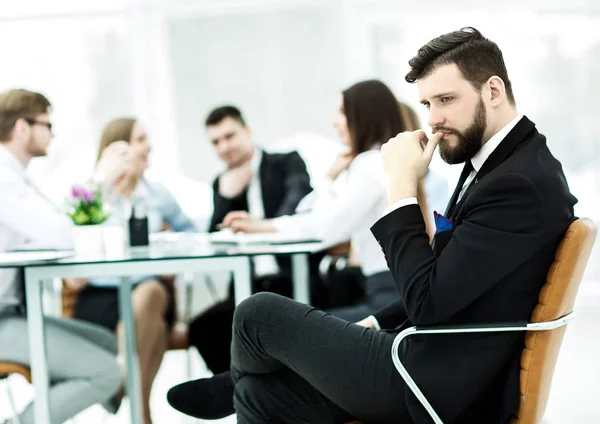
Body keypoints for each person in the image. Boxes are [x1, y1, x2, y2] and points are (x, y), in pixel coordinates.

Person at [165, 27, 577, 423]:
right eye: (428, 103)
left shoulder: (517, 184)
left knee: (256, 314)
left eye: (446, 99)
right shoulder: (504, 168)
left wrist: (401, 184)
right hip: (432, 357)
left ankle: (229, 382)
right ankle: (237, 384)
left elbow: (429, 302)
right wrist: (376, 321)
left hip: (434, 382)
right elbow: (453, 278)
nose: (433, 118)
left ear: (493, 90)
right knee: (259, 396)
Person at [216, 80, 430, 322]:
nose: (334, 122)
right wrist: (263, 226)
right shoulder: (377, 162)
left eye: (341, 112)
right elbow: (315, 218)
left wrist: (328, 179)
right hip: (387, 292)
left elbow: (325, 228)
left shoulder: (370, 165)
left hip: (388, 298)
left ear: (362, 116)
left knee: (282, 328)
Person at [0, 88, 127, 424]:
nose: (53, 134)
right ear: (22, 127)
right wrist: (102, 179)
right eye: (47, 124)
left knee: (103, 341)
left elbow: (56, 226)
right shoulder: (2, 176)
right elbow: (63, 233)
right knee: (105, 373)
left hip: (10, 313)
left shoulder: (17, 177)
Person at [70, 117, 196, 424]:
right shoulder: (91, 194)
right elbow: (68, 237)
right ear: (118, 150)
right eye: (140, 140)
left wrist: (171, 247)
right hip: (101, 297)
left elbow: (193, 233)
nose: (149, 146)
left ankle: (124, 390)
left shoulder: (157, 194)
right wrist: (104, 184)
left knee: (149, 294)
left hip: (151, 294)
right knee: (144, 321)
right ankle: (142, 412)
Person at [185, 105, 314, 374]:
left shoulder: (285, 162)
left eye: (229, 136)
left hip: (290, 278)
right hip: (247, 285)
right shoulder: (220, 183)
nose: (223, 147)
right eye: (215, 142)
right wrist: (226, 196)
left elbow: (298, 200)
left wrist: (259, 227)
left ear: (248, 131)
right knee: (203, 327)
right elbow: (216, 239)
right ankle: (239, 393)